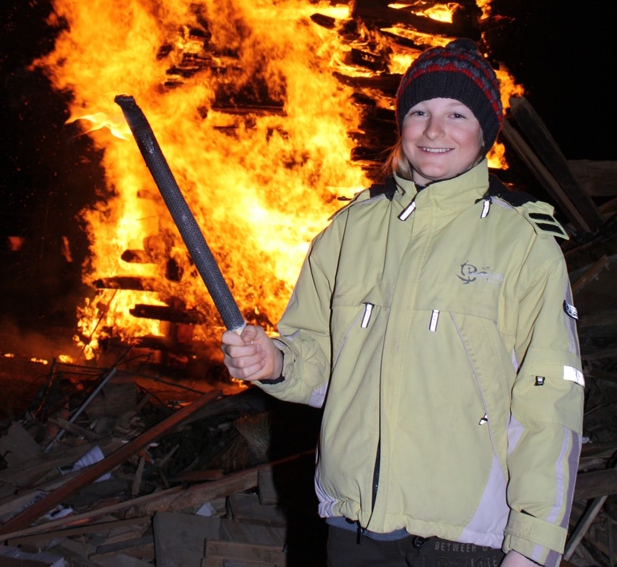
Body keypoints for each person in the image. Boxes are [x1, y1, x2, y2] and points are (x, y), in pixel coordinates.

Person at [221, 39, 584, 567]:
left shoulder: (524, 244)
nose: (434, 130)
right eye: (419, 112)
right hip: (352, 527)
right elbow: (321, 363)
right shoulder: (350, 229)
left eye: (456, 113)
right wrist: (274, 361)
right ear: (402, 124)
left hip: (462, 538)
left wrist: (533, 547)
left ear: (485, 132)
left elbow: (548, 405)